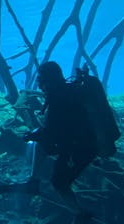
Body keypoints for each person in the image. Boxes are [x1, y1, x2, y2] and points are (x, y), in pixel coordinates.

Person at [24, 61, 100, 215]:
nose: (38, 82)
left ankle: (81, 216)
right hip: (77, 143)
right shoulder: (68, 90)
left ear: (49, 80)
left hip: (81, 148)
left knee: (59, 183)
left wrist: (33, 135)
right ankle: (33, 181)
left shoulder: (59, 99)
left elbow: (55, 131)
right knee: (40, 145)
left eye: (41, 78)